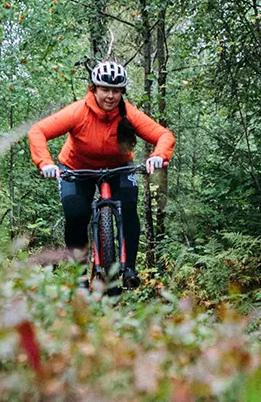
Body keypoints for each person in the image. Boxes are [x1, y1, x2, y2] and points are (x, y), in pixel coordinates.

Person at [27, 60, 174, 289]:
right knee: (76, 215)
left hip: (120, 167)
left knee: (128, 208)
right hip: (77, 167)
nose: (110, 96)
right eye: (105, 89)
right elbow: (38, 131)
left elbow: (164, 135)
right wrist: (46, 163)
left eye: (116, 91)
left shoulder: (128, 113)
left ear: (122, 92)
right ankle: (80, 274)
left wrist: (158, 155)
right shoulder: (78, 112)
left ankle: (128, 269)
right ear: (93, 88)